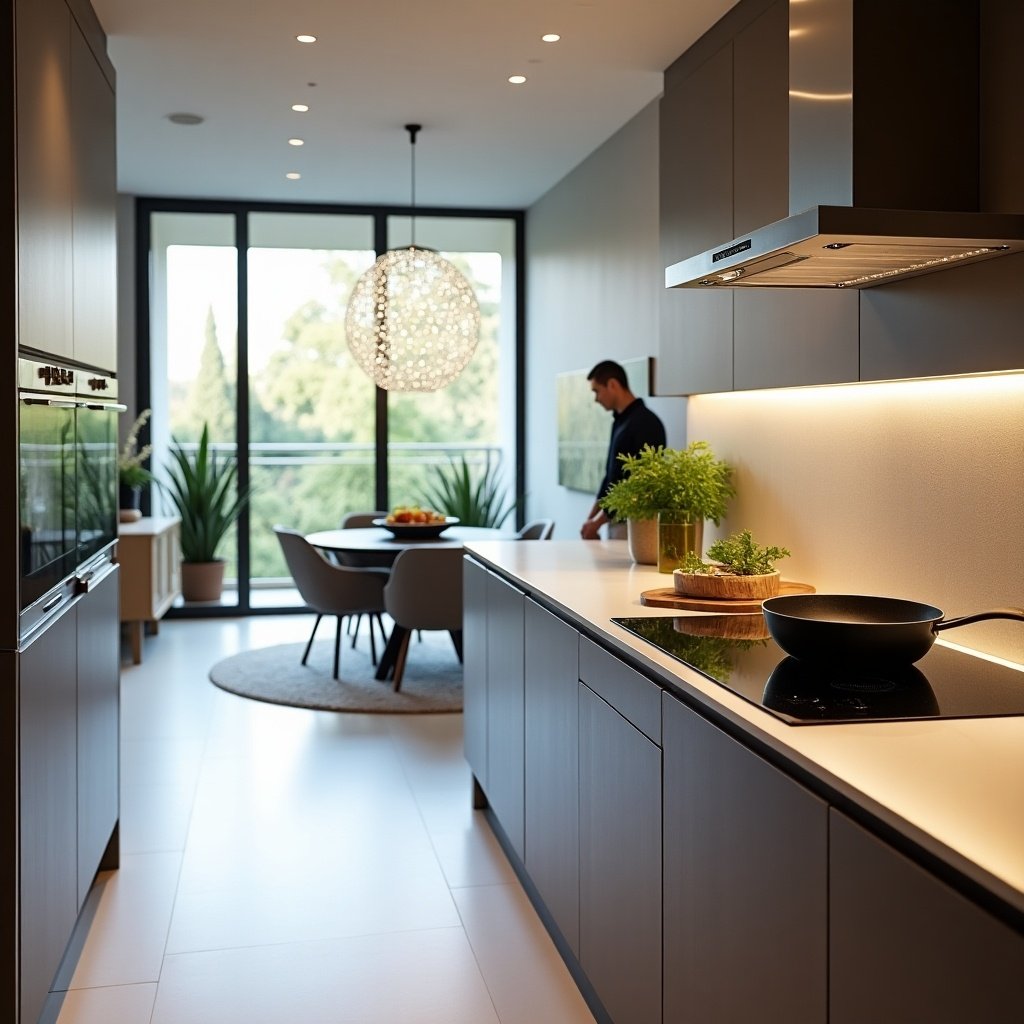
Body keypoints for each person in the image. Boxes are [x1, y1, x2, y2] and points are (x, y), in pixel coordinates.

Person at [580, 359, 666, 540]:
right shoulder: (619, 422)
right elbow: (611, 478)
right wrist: (590, 520)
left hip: (635, 525)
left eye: (597, 391)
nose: (596, 399)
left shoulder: (646, 423)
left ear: (612, 384)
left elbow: (639, 484)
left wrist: (597, 522)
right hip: (614, 523)